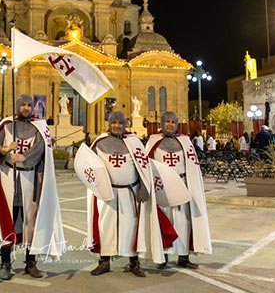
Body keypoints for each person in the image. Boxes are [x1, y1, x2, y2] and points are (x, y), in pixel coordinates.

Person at [0, 94, 65, 280]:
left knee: (32, 220)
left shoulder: (40, 126)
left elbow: (41, 149)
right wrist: (6, 151)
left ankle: (31, 261)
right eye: (22, 104)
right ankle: (5, 261)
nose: (25, 107)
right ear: (17, 106)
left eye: (29, 105)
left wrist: (24, 156)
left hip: (31, 177)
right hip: (9, 177)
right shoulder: (6, 124)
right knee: (8, 218)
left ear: (33, 107)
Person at [87, 111, 163, 277]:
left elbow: (144, 167)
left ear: (125, 124)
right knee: (105, 226)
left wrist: (144, 188)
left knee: (131, 226)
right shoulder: (100, 141)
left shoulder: (134, 142)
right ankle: (104, 261)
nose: (117, 126)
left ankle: (134, 263)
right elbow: (88, 165)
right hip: (107, 193)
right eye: (114, 122)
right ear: (109, 123)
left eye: (120, 123)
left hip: (130, 192)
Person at [146, 111, 212, 269]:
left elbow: (192, 166)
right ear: (161, 124)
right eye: (167, 121)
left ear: (177, 125)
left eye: (173, 122)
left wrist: (192, 187)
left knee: (183, 222)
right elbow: (146, 165)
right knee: (164, 222)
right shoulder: (153, 141)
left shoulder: (185, 142)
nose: (169, 124)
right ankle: (164, 256)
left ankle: (183, 257)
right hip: (162, 189)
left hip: (182, 186)